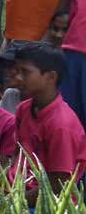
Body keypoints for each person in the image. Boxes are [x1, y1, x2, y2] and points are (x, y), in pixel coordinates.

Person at [10, 42, 86, 200]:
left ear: (51, 77)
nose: (17, 77)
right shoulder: (24, 108)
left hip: (44, 204)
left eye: (25, 72)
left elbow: (59, 184)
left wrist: (16, 200)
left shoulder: (61, 125)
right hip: (18, 189)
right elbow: (18, 155)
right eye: (17, 71)